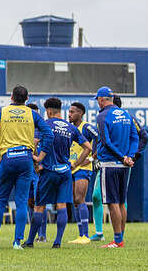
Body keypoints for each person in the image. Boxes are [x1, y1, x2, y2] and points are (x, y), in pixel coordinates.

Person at [0, 85, 54, 250]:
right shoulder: (33, 114)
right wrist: (40, 157)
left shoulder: (2, 112)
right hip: (25, 159)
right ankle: (17, 242)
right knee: (22, 202)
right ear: (27, 99)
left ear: (11, 97)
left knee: (0, 201)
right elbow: (49, 135)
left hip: (7, 158)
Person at [26, 98, 91, 249]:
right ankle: (57, 242)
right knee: (62, 205)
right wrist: (76, 164)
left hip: (48, 171)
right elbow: (88, 147)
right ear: (60, 110)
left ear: (48, 111)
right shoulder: (71, 128)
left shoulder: (45, 125)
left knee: (39, 207)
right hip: (65, 172)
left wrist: (36, 161)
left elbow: (33, 143)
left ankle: (30, 241)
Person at [94, 87, 138, 249]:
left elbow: (106, 142)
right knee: (121, 202)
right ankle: (120, 238)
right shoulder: (126, 115)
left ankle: (118, 240)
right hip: (125, 165)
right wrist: (129, 157)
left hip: (110, 164)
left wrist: (121, 157)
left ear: (101, 99)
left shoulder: (102, 116)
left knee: (112, 202)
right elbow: (135, 137)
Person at [66, 102, 98, 244]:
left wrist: (91, 158)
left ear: (81, 113)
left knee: (80, 199)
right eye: (69, 111)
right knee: (75, 201)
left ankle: (85, 235)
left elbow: (100, 140)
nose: (69, 114)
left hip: (83, 168)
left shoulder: (86, 127)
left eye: (73, 112)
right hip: (72, 166)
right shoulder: (70, 128)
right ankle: (80, 235)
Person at [22, 102, 47, 246]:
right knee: (31, 202)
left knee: (40, 203)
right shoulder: (23, 129)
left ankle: (42, 234)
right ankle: (35, 233)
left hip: (39, 171)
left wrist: (41, 162)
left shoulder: (43, 129)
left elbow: (47, 146)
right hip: (26, 169)